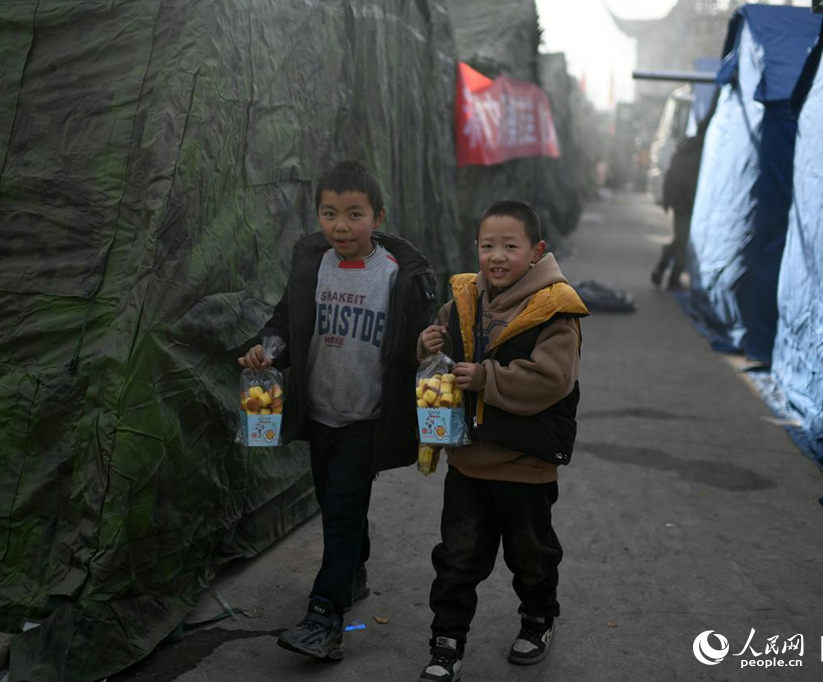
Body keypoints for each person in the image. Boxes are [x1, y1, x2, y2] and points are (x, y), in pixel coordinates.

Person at [237, 160, 436, 661]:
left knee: (344, 508)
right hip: (319, 412)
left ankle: (325, 615)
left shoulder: (396, 275)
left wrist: (430, 346)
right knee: (335, 505)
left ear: (378, 217)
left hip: (366, 418)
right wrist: (269, 348)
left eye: (354, 214)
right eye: (329, 214)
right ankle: (355, 570)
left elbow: (417, 340)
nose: (340, 226)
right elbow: (285, 321)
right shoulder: (313, 265)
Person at [415, 200, 588, 681]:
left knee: (531, 555)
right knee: (456, 557)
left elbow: (552, 379)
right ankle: (447, 641)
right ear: (476, 248)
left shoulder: (555, 308)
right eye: (488, 245)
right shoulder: (464, 298)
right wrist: (428, 343)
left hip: (524, 465)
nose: (496, 256)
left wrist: (486, 378)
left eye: (510, 246)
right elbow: (444, 350)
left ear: (536, 251)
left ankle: (538, 619)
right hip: (468, 463)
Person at [652, 133, 704, 289]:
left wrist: (667, 200)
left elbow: (670, 175)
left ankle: (664, 270)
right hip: (689, 203)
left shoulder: (681, 150)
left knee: (681, 239)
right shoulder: (701, 152)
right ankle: (670, 276)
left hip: (680, 202)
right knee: (683, 241)